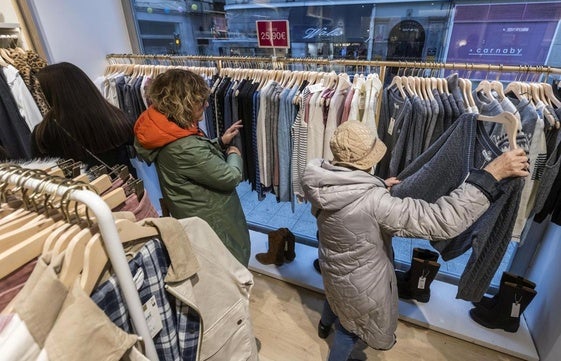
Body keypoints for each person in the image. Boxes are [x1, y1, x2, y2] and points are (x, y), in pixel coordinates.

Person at [301, 120, 529, 361]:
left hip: (332, 267)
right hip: (362, 284)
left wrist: (377, 186)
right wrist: (489, 176)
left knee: (336, 300)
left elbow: (351, 198)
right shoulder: (375, 203)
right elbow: (442, 220)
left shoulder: (320, 182)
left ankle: (324, 326)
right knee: (349, 331)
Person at [133, 68, 250, 266]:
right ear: (183, 102)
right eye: (200, 100)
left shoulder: (166, 129)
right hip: (210, 219)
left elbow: (193, 159)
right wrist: (234, 155)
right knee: (228, 268)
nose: (206, 104)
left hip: (196, 212)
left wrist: (219, 142)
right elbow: (229, 177)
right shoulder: (182, 145)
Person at [31, 62, 136, 176]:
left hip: (85, 191)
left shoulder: (45, 133)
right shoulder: (112, 115)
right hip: (127, 186)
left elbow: (45, 173)